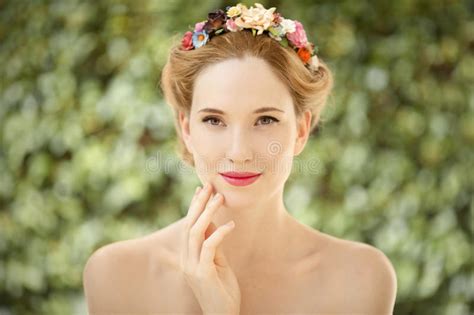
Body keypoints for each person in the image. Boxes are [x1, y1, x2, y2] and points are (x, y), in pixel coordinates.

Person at [83, 3, 397, 314]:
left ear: (301, 130)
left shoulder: (361, 279)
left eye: (265, 120)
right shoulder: (116, 277)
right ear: (186, 128)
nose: (239, 153)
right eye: (214, 120)